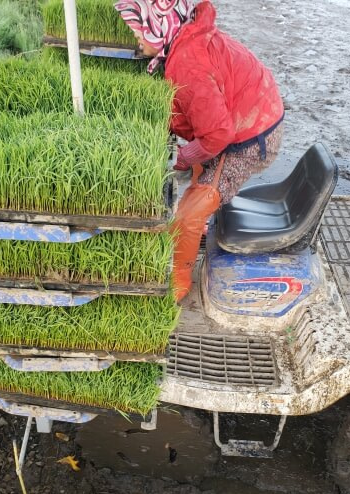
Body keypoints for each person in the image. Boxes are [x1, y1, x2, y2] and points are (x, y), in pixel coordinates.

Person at [114, 0, 284, 302]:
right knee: (199, 168)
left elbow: (218, 134)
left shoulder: (187, 64)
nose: (137, 39)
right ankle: (200, 223)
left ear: (159, 27)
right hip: (245, 113)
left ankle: (179, 280)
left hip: (252, 136)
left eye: (140, 30)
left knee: (190, 212)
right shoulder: (185, 38)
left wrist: (183, 157)